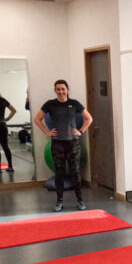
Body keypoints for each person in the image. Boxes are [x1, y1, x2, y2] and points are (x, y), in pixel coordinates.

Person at [35, 79, 93, 212]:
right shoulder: (50, 104)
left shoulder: (74, 103)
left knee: (75, 173)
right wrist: (46, 132)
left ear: (67, 89)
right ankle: (59, 200)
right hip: (57, 144)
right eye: (58, 89)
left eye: (63, 89)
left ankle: (80, 200)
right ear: (55, 90)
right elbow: (37, 119)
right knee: (59, 174)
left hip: (73, 143)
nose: (61, 91)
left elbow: (89, 118)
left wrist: (81, 131)